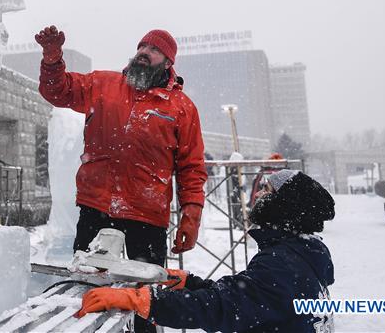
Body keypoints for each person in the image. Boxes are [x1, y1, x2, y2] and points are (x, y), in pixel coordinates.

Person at [35, 25, 207, 331]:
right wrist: (52, 59)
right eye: (142, 46)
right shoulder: (103, 84)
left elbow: (191, 167)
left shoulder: (181, 107)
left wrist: (191, 213)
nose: (144, 52)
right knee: (85, 292)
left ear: (168, 63)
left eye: (154, 50)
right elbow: (57, 92)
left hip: (147, 216)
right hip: (96, 208)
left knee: (143, 301)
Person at [76, 170, 336, 333]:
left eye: (267, 191)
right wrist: (192, 283)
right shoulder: (301, 253)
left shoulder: (284, 263)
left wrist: (144, 301)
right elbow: (250, 296)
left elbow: (224, 308)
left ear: (285, 206)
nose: (257, 196)